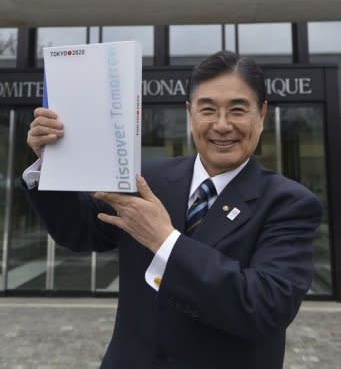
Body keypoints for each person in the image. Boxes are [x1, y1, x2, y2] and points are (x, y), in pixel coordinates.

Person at [24, 50, 322, 369]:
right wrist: (50, 162)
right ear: (189, 113)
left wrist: (165, 241)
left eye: (237, 110)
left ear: (261, 115)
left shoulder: (290, 203)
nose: (222, 126)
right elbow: (80, 232)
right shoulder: (146, 178)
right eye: (207, 109)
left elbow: (263, 308)